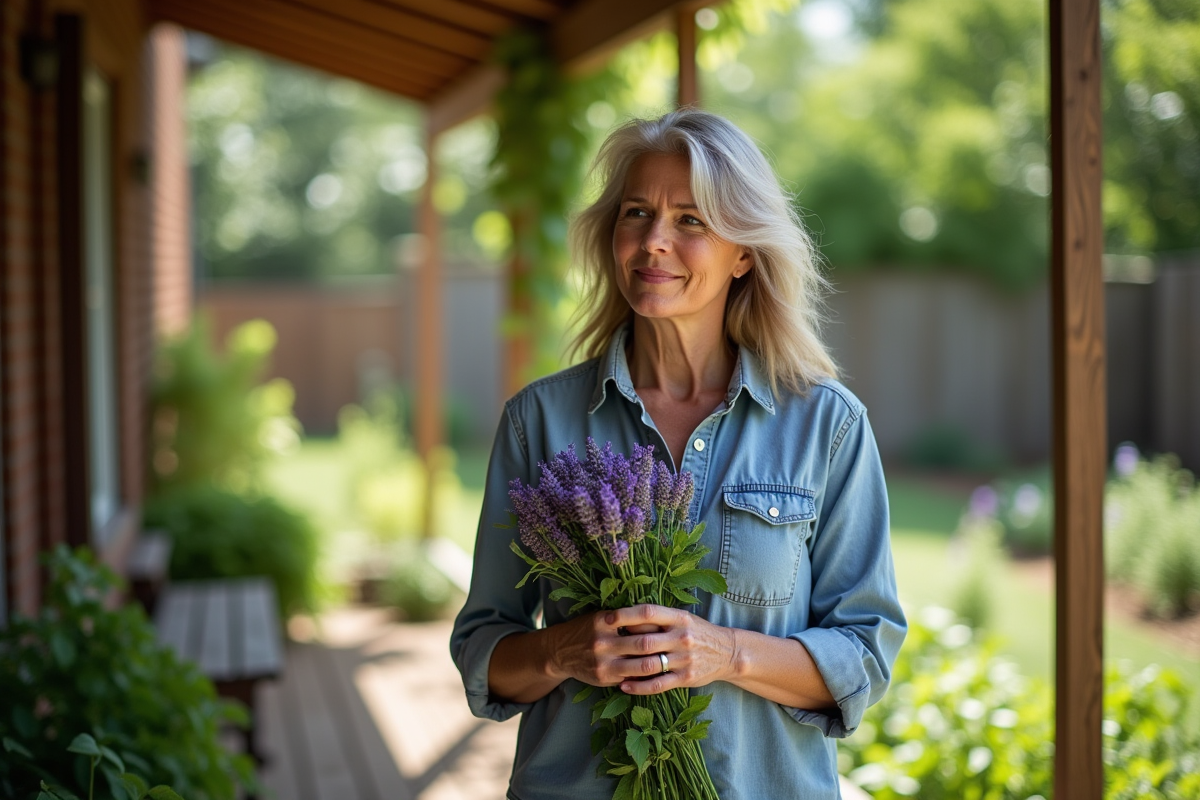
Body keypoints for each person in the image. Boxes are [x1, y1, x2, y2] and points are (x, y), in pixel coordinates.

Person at [451, 109, 906, 800]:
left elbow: (864, 653)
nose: (653, 241)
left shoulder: (826, 426)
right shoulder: (537, 421)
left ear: (744, 253)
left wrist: (724, 653)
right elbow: (485, 652)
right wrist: (562, 649)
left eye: (691, 220)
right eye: (637, 212)